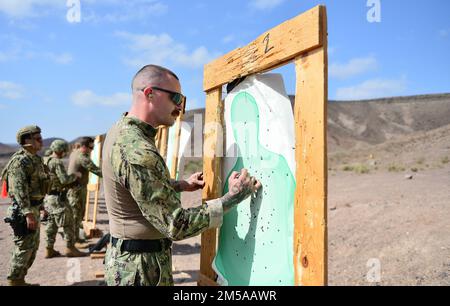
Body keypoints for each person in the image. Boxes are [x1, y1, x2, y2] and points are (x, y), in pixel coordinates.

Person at [102, 64, 261, 286]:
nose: (180, 107)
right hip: (140, 270)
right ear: (150, 93)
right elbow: (176, 225)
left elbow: (137, 186)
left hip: (135, 262)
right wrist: (231, 198)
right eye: (176, 98)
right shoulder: (136, 148)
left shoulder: (122, 131)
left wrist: (179, 185)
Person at [1, 126, 50, 286]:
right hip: (23, 212)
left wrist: (41, 206)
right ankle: (14, 281)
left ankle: (19, 280)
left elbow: (36, 187)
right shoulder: (20, 161)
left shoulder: (35, 159)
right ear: (27, 140)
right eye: (38, 138)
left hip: (33, 208)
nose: (41, 141)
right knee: (23, 248)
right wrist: (28, 213)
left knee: (32, 248)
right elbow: (19, 190)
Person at [43, 140, 87, 258]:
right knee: (69, 223)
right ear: (61, 150)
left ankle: (49, 249)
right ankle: (70, 248)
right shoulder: (56, 162)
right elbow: (64, 180)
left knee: (51, 224)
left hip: (48, 198)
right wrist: (75, 175)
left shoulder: (45, 160)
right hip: (58, 198)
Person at [67, 137, 102, 242]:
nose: (92, 150)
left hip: (74, 189)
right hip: (76, 190)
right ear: (83, 147)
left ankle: (76, 238)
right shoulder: (82, 157)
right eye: (90, 147)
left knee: (77, 215)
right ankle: (74, 241)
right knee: (76, 215)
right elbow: (96, 170)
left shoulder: (75, 152)